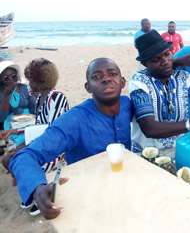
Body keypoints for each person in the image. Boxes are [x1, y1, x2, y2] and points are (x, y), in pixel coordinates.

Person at [9, 58, 132, 219]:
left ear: (122, 82)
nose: (106, 79)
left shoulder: (127, 104)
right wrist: (37, 188)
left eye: (112, 74)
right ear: (88, 87)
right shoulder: (74, 120)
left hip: (124, 187)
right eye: (96, 76)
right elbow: (25, 156)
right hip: (88, 194)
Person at [129, 30, 190, 157]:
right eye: (156, 59)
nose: (165, 61)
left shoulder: (185, 77)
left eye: (167, 54)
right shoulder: (139, 81)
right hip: (147, 154)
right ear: (144, 63)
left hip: (178, 151)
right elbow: (149, 128)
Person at [2, 58, 70, 215]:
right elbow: (39, 125)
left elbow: (54, 134)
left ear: (38, 80)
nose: (28, 82)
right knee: (9, 159)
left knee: (14, 158)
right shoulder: (40, 98)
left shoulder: (56, 98)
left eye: (30, 79)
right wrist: (17, 134)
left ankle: (39, 194)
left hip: (56, 151)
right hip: (42, 144)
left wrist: (25, 146)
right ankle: (34, 193)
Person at [0, 60, 35, 145]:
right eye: (6, 77)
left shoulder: (26, 88)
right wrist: (6, 96)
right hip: (11, 125)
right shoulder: (1, 93)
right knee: (22, 142)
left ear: (17, 76)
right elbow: (1, 118)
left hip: (29, 121)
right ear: (1, 79)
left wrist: (35, 95)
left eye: (13, 76)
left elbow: (34, 110)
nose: (11, 79)